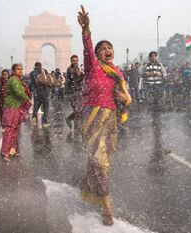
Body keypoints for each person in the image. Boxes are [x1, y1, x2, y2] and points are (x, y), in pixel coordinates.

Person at [78, 5, 131, 225]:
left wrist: (124, 99)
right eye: (103, 48)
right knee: (101, 161)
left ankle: (90, 188)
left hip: (110, 121)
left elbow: (127, 99)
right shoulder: (94, 67)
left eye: (110, 47)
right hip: (93, 119)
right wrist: (86, 29)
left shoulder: (117, 73)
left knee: (100, 160)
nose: (107, 50)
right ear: (97, 54)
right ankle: (107, 207)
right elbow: (88, 48)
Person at [0, 63, 31, 162]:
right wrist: (28, 99)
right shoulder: (13, 80)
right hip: (11, 108)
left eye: (21, 69)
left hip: (16, 108)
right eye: (18, 69)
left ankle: (12, 150)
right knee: (10, 130)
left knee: (15, 131)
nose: (20, 71)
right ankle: (5, 152)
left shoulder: (18, 80)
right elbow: (18, 92)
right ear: (13, 71)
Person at [65, 54, 84, 135]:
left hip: (79, 93)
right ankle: (77, 129)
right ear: (71, 61)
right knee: (77, 111)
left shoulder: (78, 69)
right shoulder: (70, 69)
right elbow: (75, 78)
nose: (75, 62)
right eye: (74, 60)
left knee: (79, 111)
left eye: (76, 60)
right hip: (73, 93)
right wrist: (82, 74)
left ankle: (69, 119)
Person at [29, 62, 51, 127]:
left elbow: (31, 83)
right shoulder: (43, 71)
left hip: (36, 92)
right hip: (44, 92)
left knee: (36, 106)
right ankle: (44, 121)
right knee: (46, 106)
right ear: (40, 66)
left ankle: (34, 117)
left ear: (35, 66)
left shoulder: (32, 73)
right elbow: (48, 80)